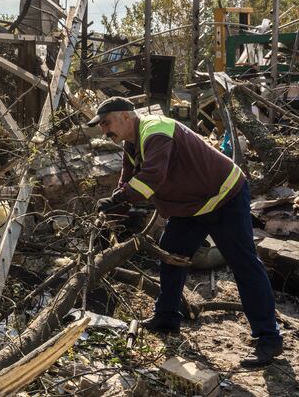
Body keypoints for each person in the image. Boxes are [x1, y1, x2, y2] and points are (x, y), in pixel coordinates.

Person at [89, 97, 283, 367]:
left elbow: (153, 177)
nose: (104, 130)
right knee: (171, 257)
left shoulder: (155, 130)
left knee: (245, 265)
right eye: (101, 126)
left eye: (106, 123)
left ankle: (268, 339)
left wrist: (120, 200)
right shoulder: (132, 145)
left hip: (225, 196)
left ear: (124, 116)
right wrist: (112, 209)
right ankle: (167, 318)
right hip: (192, 207)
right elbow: (128, 180)